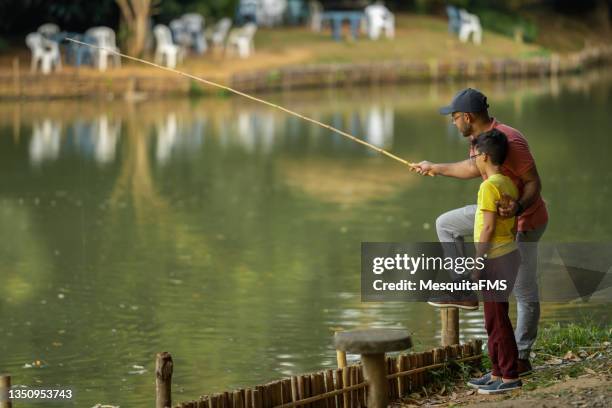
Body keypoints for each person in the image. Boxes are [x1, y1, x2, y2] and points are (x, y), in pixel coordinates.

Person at [410, 88, 548, 376]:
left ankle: (520, 358)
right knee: (445, 224)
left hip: (522, 220)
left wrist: (518, 208)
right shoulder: (479, 142)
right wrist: (434, 167)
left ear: (468, 117)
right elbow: (472, 167)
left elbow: (534, 182)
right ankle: (464, 290)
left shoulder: (510, 140)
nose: (452, 121)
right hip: (490, 211)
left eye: (454, 117)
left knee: (524, 292)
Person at [467, 130, 522, 394]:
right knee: (493, 317)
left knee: (497, 319)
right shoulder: (508, 183)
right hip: (507, 254)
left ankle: (510, 376)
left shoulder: (489, 186)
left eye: (476, 155)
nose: (474, 159)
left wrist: (478, 264)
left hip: (496, 258)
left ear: (485, 156)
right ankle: (497, 371)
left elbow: (488, 228)